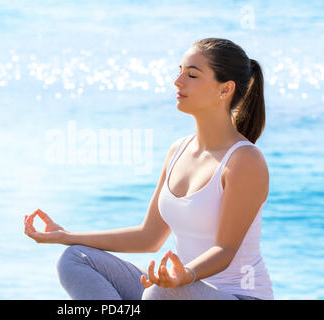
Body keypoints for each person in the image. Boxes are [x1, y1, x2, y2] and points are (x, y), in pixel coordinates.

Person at [24, 37, 274, 300]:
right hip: (180, 288)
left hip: (238, 295)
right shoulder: (178, 150)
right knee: (75, 259)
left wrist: (184, 275)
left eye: (191, 75)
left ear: (225, 89)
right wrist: (65, 235)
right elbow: (149, 237)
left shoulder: (244, 160)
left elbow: (225, 249)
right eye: (179, 72)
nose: (178, 82)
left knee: (158, 292)